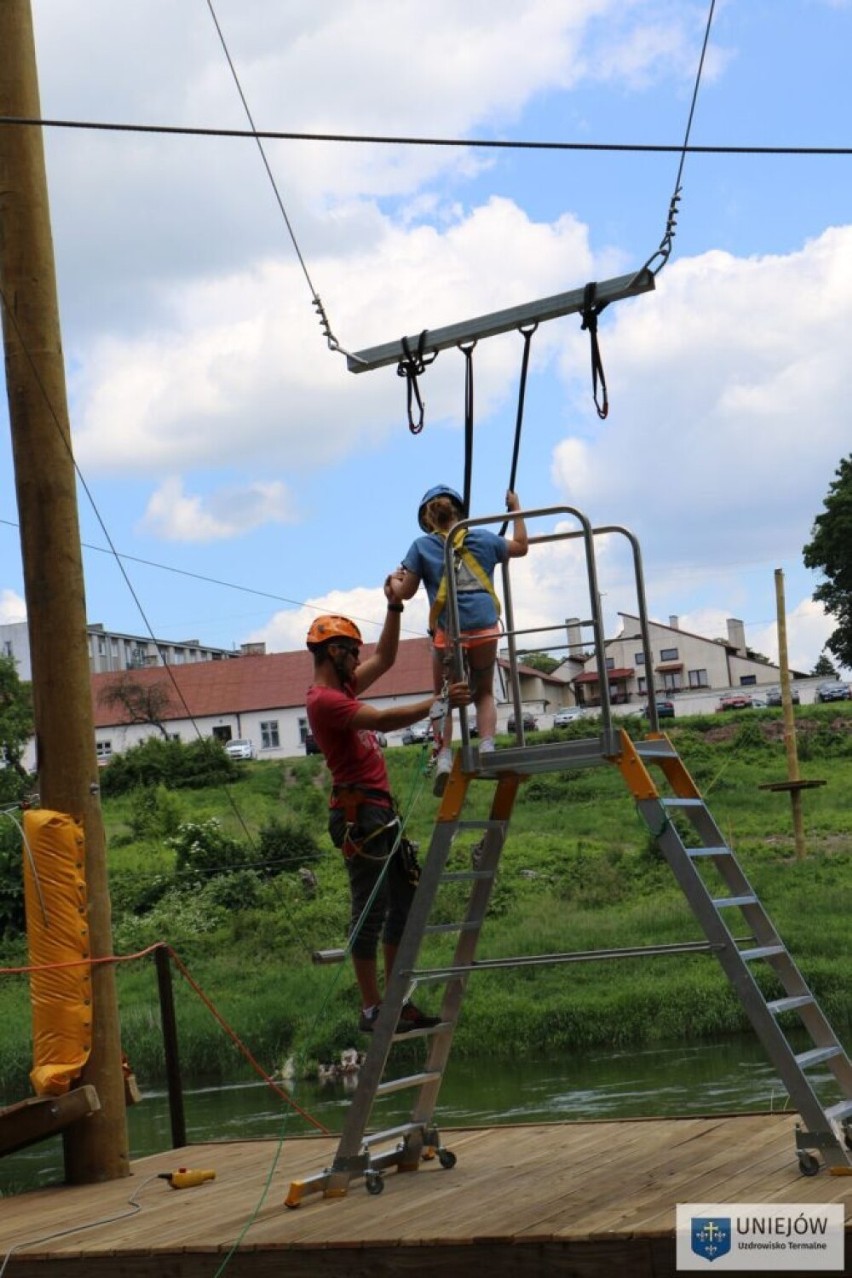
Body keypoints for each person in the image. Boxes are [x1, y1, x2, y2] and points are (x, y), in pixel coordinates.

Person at [305, 589, 471, 1035]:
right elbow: (381, 720)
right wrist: (439, 704)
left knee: (404, 902)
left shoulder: (343, 685)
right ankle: (372, 1008)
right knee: (370, 910)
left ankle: (396, 999)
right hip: (360, 814)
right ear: (333, 652)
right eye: (352, 652)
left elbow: (389, 657)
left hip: (378, 811)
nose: (359, 660)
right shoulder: (325, 700)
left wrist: (394, 606)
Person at [390, 485, 528, 793]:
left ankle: (443, 758)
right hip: (484, 628)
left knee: (443, 697)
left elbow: (405, 593)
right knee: (483, 692)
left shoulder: (421, 547)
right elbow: (520, 545)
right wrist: (515, 507)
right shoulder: (484, 539)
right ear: (459, 511)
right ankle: (489, 747)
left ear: (428, 520)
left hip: (449, 634)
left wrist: (393, 580)